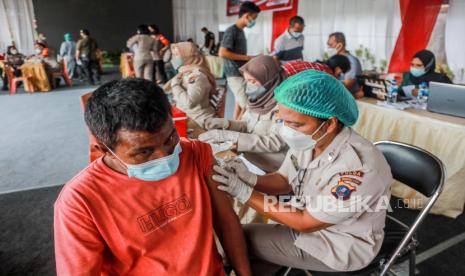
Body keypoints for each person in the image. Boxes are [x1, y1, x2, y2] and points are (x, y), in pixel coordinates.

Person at [54, 79, 251, 276]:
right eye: (144, 152)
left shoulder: (196, 153)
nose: (164, 157)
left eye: (170, 139)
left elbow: (226, 222)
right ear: (103, 149)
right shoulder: (80, 201)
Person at [213, 70, 392, 274]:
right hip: (307, 218)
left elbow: (306, 223)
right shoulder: (311, 139)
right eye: (282, 121)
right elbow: (284, 180)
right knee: (244, 253)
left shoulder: (357, 169)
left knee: (233, 239)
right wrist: (250, 179)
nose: (285, 130)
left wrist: (244, 193)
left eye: (294, 124)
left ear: (330, 123)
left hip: (338, 243)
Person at [199, 55, 287, 173]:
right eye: (246, 81)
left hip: (270, 168)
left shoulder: (283, 106)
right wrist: (226, 123)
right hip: (249, 159)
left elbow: (275, 142)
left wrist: (236, 138)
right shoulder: (257, 100)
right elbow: (246, 125)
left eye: (253, 81)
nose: (248, 86)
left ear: (269, 80)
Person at [219, 1, 261, 119]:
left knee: (239, 104)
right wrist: (249, 58)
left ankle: (235, 126)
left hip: (241, 72)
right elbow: (223, 52)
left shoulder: (240, 31)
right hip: (234, 74)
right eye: (254, 18)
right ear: (246, 16)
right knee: (247, 106)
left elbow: (238, 54)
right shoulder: (231, 30)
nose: (254, 21)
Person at [163, 42, 217, 128]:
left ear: (187, 57)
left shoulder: (197, 76)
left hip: (198, 122)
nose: (174, 58)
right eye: (173, 55)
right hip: (187, 118)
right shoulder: (184, 72)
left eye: (177, 55)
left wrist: (175, 85)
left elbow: (189, 103)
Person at [327, 32, 362, 97]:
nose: (328, 47)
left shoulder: (351, 61)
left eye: (331, 45)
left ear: (340, 45)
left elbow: (347, 83)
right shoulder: (333, 60)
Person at [281, 55, 351, 79]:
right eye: (341, 73)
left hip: (278, 73)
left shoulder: (318, 66)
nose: (339, 77)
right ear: (338, 69)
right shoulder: (328, 75)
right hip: (282, 81)